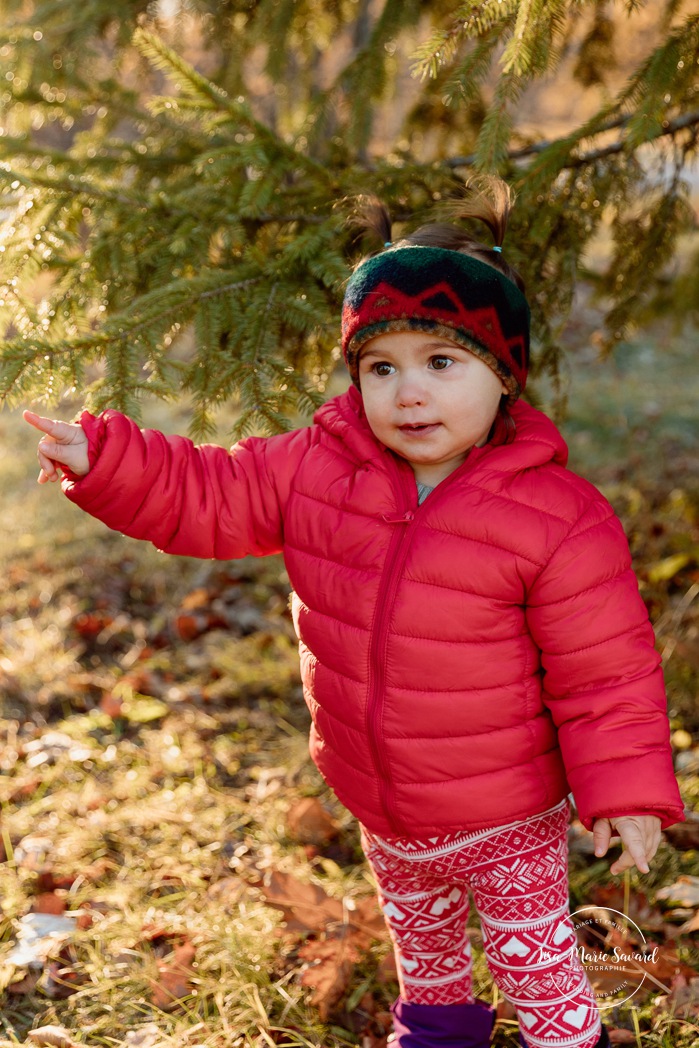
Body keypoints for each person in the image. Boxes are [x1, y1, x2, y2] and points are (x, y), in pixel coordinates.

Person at [24, 179, 684, 1048]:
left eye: (440, 363)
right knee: (426, 956)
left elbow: (604, 672)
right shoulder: (315, 467)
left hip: (505, 812)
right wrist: (105, 461)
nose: (407, 393)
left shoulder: (555, 517)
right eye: (381, 368)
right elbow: (208, 492)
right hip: (381, 798)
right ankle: (435, 1035)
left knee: (534, 967)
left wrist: (623, 791)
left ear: (502, 375)